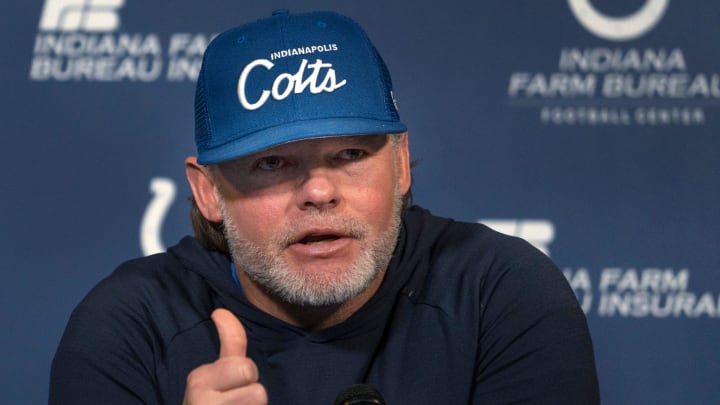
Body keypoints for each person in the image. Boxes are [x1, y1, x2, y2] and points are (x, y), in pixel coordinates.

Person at [49, 9, 600, 405]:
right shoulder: (127, 327)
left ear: (402, 164)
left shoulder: (499, 293)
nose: (318, 192)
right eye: (272, 164)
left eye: (350, 154)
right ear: (208, 192)